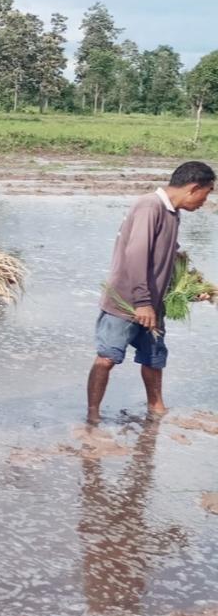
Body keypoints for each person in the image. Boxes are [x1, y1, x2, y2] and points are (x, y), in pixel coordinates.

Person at [85, 160, 214, 424]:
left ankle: (156, 408)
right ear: (193, 187)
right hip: (126, 302)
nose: (206, 200)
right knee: (108, 357)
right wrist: (143, 302)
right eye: (208, 192)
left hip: (152, 304)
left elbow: (170, 257)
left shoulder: (172, 213)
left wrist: (191, 288)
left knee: (154, 358)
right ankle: (93, 416)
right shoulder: (149, 206)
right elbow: (136, 254)